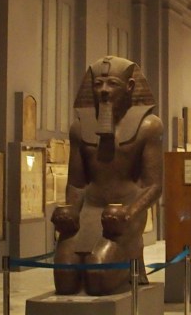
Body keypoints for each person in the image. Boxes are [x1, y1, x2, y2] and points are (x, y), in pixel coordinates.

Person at [51, 55, 163, 296]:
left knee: (98, 275)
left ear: (130, 87)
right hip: (89, 210)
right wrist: (69, 209)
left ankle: (128, 258)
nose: (103, 90)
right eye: (98, 84)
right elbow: (77, 183)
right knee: (65, 278)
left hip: (124, 211)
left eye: (112, 83)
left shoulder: (148, 126)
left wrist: (129, 212)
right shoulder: (80, 128)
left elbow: (153, 186)